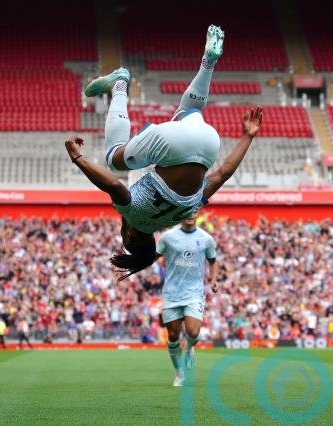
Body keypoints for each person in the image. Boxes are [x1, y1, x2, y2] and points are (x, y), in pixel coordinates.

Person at [66, 25, 262, 280]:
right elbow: (113, 185)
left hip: (209, 144)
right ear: (130, 236)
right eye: (123, 235)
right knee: (113, 159)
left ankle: (209, 62)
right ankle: (119, 84)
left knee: (188, 110)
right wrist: (77, 157)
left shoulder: (182, 216)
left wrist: (248, 136)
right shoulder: (133, 216)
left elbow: (223, 173)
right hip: (173, 145)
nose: (122, 231)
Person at [155, 213, 218, 386]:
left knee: (193, 332)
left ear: (198, 213)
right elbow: (153, 256)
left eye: (194, 211)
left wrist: (213, 279)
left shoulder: (206, 239)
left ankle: (190, 347)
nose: (190, 215)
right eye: (187, 211)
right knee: (173, 336)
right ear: (181, 211)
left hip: (194, 293)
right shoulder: (167, 237)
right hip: (171, 294)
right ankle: (179, 373)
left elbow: (213, 261)